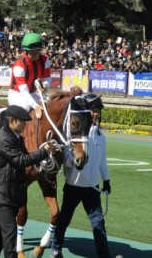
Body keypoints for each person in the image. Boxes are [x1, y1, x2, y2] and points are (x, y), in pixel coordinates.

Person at [0, 105, 55, 258]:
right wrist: (43, 152)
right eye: (22, 122)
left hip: (10, 194)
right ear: (11, 121)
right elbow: (20, 160)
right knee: (10, 235)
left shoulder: (16, 137)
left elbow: (26, 156)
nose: (25, 124)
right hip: (2, 194)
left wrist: (46, 151)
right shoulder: (4, 139)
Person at [50, 94, 111, 258]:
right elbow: (66, 154)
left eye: (97, 110)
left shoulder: (100, 136)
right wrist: (72, 163)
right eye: (92, 110)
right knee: (64, 219)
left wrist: (106, 180)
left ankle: (103, 254)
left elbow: (102, 161)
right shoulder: (74, 132)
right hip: (73, 186)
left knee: (98, 222)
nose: (95, 113)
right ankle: (55, 247)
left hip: (92, 188)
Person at [8, 32, 51, 119]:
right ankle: (5, 124)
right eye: (32, 52)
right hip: (17, 94)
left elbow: (48, 78)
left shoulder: (45, 60)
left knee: (51, 106)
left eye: (38, 52)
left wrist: (45, 86)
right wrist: (35, 106)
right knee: (24, 108)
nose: (36, 55)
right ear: (26, 51)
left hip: (33, 93)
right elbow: (24, 92)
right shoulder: (19, 65)